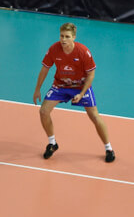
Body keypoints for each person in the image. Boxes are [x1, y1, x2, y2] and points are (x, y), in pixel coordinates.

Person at [33, 22, 115, 163]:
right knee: (43, 111)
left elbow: (91, 75)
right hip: (61, 85)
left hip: (80, 86)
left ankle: (109, 148)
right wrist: (37, 89)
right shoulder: (54, 49)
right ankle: (52, 144)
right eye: (61, 36)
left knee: (94, 116)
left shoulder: (83, 52)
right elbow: (45, 69)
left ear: (74, 37)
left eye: (67, 36)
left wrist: (82, 93)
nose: (63, 39)